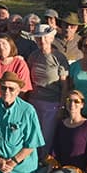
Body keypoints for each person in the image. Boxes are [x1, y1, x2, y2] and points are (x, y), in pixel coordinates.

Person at [26, 24, 69, 159]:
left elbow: (65, 86)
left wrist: (62, 107)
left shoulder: (59, 58)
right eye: (39, 39)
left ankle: (44, 164)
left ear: (51, 38)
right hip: (33, 102)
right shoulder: (33, 56)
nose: (42, 42)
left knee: (46, 138)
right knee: (32, 135)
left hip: (52, 104)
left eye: (45, 38)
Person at [0, 33, 33, 103]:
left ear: (10, 45)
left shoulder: (20, 63)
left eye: (4, 44)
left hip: (14, 105)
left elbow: (24, 89)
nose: (1, 47)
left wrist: (10, 103)